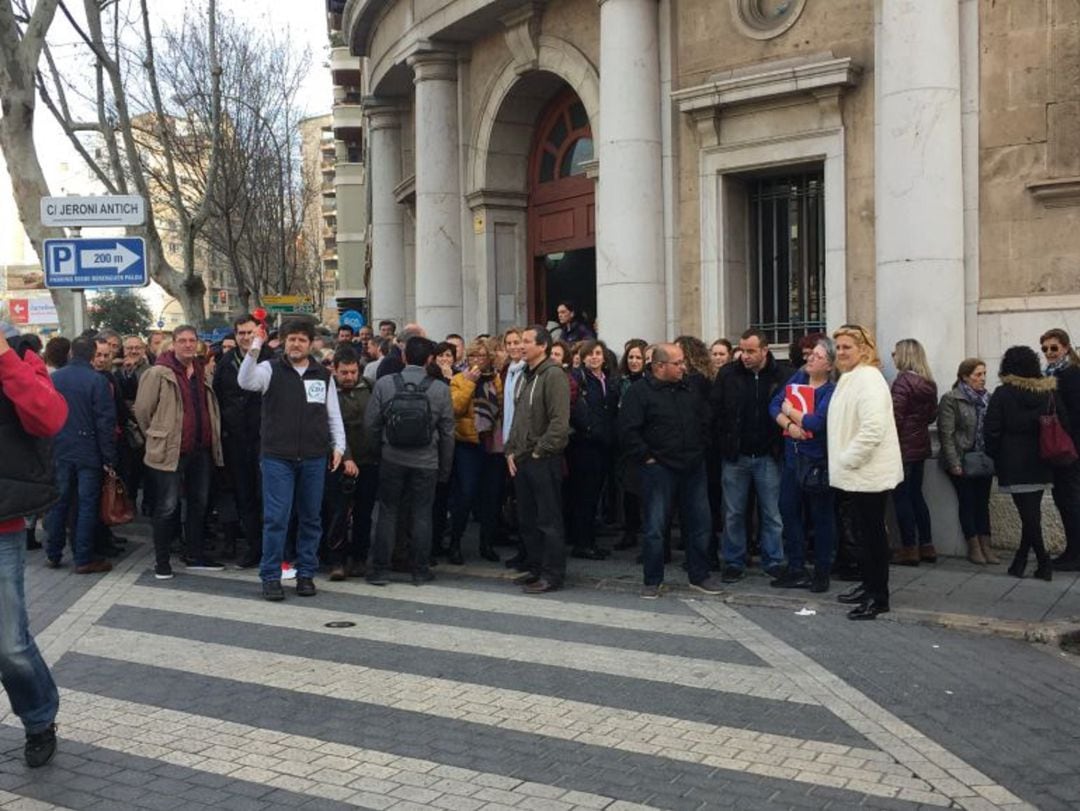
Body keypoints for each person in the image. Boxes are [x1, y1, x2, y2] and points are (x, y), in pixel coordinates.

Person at [0, 321, 68, 767]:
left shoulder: (22, 357)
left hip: (1, 525)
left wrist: (3, 357)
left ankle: (39, 718)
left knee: (9, 643)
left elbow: (49, 417)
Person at [239, 319, 345, 600]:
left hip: (313, 456)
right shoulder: (269, 369)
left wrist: (339, 446)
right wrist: (256, 346)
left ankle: (306, 574)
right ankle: (271, 576)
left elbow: (332, 413)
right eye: (291, 339)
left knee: (311, 518)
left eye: (301, 339)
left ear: (311, 344)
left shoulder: (322, 374)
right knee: (276, 518)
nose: (295, 344)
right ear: (284, 342)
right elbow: (245, 380)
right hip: (277, 457)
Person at [619, 343, 722, 598]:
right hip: (659, 468)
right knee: (655, 526)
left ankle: (700, 575)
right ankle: (652, 580)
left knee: (700, 523)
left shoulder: (690, 388)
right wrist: (647, 457)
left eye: (682, 362)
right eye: (677, 363)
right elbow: (628, 430)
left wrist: (701, 448)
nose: (683, 367)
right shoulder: (639, 392)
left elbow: (705, 419)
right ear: (659, 366)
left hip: (693, 465)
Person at [134, 325, 225, 579]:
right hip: (169, 451)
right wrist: (158, 434)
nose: (187, 345)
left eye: (192, 340)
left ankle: (195, 555)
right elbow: (143, 411)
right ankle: (162, 562)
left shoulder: (200, 370)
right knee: (167, 507)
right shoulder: (158, 373)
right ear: (173, 344)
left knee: (199, 504)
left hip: (200, 449)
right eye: (182, 340)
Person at [365, 336, 454, 585]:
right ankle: (420, 570)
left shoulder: (384, 384)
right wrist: (444, 469)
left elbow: (371, 424)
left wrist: (377, 452)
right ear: (430, 360)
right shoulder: (440, 389)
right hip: (427, 461)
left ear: (404, 357)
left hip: (391, 457)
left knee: (387, 512)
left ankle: (381, 569)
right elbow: (448, 433)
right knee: (422, 514)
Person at [830, 325, 904, 620]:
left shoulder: (869, 379)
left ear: (863, 349)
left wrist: (848, 459)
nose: (841, 352)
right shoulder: (851, 377)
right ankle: (868, 585)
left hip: (868, 473)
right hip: (858, 473)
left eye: (847, 346)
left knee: (873, 536)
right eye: (839, 347)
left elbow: (873, 429)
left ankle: (878, 596)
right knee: (862, 533)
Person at [710, 328, 792, 581]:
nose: (744, 356)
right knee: (733, 512)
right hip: (736, 455)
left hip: (768, 455)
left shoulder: (782, 375)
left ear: (765, 351)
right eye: (742, 350)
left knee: (772, 513)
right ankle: (734, 561)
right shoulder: (728, 374)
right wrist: (724, 443)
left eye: (751, 351)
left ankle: (774, 560)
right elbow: (716, 411)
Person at [985, 346, 1068, 581]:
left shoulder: (1002, 394)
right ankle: (1021, 561)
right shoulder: (1048, 393)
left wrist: (997, 456)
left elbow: (991, 431)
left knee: (1028, 515)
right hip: (1042, 459)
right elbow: (1064, 422)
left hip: (1012, 462)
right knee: (1030, 514)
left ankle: (1043, 562)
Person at [505, 326, 571, 593]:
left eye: (526, 342)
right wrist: (510, 450)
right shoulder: (525, 375)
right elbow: (518, 418)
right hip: (521, 458)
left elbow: (559, 422)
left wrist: (538, 451)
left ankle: (552, 574)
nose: (521, 346)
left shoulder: (553, 375)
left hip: (542, 459)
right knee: (528, 519)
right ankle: (535, 567)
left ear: (542, 346)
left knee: (548, 520)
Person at [769, 337, 837, 592]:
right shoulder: (798, 378)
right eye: (811, 355)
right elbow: (774, 405)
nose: (810, 359)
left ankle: (822, 571)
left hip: (816, 461)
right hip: (791, 457)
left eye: (818, 357)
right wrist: (789, 425)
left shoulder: (830, 390)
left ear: (830, 365)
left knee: (821, 517)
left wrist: (792, 412)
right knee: (788, 510)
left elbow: (817, 423)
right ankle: (795, 566)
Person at [44, 337, 116, 574]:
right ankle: (83, 558)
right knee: (87, 505)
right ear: (92, 354)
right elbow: (105, 422)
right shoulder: (97, 381)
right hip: (88, 451)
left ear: (71, 352)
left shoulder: (54, 378)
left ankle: (53, 552)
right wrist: (109, 458)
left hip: (60, 448)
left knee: (59, 502)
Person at [212, 313, 267, 568]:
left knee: (266, 497)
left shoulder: (271, 360)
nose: (245, 338)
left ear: (259, 333)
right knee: (243, 497)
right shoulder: (225, 363)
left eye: (249, 332)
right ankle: (254, 548)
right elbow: (218, 400)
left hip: (265, 440)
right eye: (241, 333)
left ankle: (273, 548)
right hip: (235, 441)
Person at [325, 344, 378, 580]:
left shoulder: (369, 388)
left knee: (364, 514)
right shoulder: (329, 392)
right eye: (344, 372)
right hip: (338, 462)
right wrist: (346, 457)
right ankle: (337, 560)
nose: (349, 377)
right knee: (338, 513)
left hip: (369, 461)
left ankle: (359, 558)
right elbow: (330, 427)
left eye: (353, 372)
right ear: (335, 370)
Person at [448, 338, 504, 564]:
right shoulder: (459, 379)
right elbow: (456, 408)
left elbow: (500, 406)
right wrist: (471, 383)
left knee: (492, 496)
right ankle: (455, 543)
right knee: (466, 494)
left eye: (482, 356)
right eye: (473, 356)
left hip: (492, 442)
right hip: (467, 443)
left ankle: (487, 543)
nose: (477, 361)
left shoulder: (496, 379)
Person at [938, 358, 997, 564]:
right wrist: (954, 462)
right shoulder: (952, 399)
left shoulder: (988, 398)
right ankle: (973, 546)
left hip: (982, 459)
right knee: (968, 501)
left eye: (984, 374)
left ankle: (986, 545)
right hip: (963, 458)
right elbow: (946, 433)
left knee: (983, 503)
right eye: (977, 374)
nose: (982, 379)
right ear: (965, 376)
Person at [568, 340, 619, 560]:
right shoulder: (578, 379)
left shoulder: (608, 380)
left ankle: (589, 540)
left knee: (595, 494)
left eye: (598, 353)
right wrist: (589, 428)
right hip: (585, 444)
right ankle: (583, 543)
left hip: (604, 444)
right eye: (590, 354)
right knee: (585, 496)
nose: (594, 357)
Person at [889, 339, 939, 566]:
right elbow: (930, 417)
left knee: (902, 498)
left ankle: (909, 548)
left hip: (902, 448)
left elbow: (894, 418)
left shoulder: (902, 383)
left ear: (904, 355)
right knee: (917, 497)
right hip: (920, 447)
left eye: (895, 353)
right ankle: (927, 545)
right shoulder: (928, 384)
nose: (893, 357)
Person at [1041, 328, 1080, 571]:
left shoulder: (1070, 375)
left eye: (1054, 348)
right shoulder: (1054, 375)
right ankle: (1072, 551)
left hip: (1071, 450)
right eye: (1045, 349)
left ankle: (1075, 554)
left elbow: (1075, 414)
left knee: (1071, 501)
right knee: (1065, 500)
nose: (1049, 353)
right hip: (1063, 450)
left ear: (1065, 347)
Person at [615, 339, 648, 551]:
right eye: (631, 357)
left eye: (638, 357)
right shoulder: (621, 382)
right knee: (628, 491)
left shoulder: (649, 382)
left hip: (644, 443)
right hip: (624, 444)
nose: (634, 361)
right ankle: (630, 531)